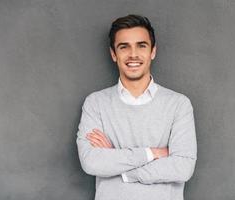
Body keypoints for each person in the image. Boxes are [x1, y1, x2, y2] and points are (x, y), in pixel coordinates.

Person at [76, 14, 197, 200]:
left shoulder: (178, 104)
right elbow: (91, 163)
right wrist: (152, 153)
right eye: (124, 47)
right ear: (113, 54)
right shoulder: (96, 103)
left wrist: (119, 164)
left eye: (141, 45)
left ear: (153, 52)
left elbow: (182, 168)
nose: (133, 54)